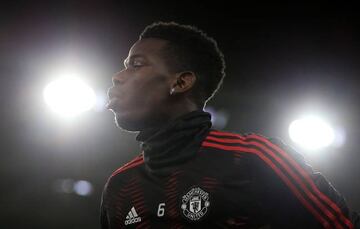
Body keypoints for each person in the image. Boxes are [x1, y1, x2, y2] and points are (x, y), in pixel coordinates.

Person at [101, 21, 359, 228]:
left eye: (136, 65)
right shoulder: (119, 187)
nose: (118, 77)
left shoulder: (254, 157)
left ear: (180, 83)